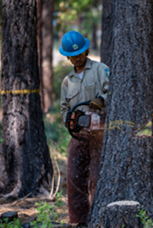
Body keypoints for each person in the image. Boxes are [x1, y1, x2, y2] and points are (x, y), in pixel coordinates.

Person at [59, 31, 109, 226]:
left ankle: (99, 219)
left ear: (86, 50)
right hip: (78, 135)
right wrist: (70, 121)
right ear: (67, 56)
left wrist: (102, 101)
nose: (76, 58)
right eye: (72, 56)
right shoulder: (67, 81)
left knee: (97, 178)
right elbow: (64, 108)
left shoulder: (100, 69)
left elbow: (116, 91)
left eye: (79, 54)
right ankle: (80, 221)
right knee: (74, 177)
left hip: (100, 134)